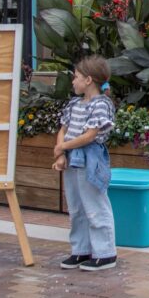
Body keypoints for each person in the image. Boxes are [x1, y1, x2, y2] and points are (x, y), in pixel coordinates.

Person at [53, 56, 118, 271]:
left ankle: (105, 252)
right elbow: (63, 128)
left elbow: (90, 135)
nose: (73, 81)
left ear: (89, 80)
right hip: (72, 157)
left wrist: (64, 147)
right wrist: (61, 154)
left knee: (94, 205)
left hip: (90, 158)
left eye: (76, 77)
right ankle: (81, 249)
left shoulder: (101, 104)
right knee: (76, 206)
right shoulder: (74, 104)